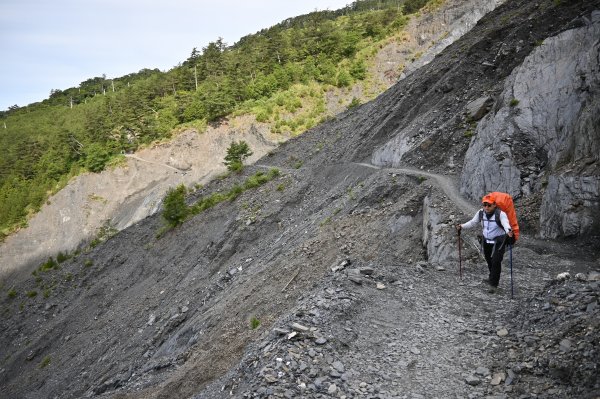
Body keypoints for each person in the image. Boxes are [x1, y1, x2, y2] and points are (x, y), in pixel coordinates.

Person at [456, 194, 514, 292]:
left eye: (489, 205)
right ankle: (492, 276)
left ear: (494, 205)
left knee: (496, 261)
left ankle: (493, 285)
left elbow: (505, 223)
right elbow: (473, 222)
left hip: (499, 241)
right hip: (486, 240)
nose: (486, 207)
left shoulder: (500, 214)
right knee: (489, 260)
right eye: (484, 205)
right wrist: (462, 226)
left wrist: (508, 230)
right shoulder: (481, 213)